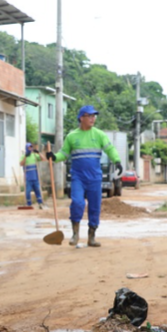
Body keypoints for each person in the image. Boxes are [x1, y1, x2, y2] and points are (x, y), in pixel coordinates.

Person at [46, 105, 122, 247]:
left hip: (95, 177)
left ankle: (91, 237)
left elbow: (110, 149)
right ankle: (75, 233)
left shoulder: (99, 135)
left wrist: (117, 161)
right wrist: (54, 157)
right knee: (77, 203)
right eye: (90, 116)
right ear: (81, 118)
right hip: (78, 177)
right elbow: (64, 154)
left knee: (94, 207)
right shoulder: (72, 136)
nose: (93, 118)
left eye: (94, 116)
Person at [22, 143, 44, 209]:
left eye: (31, 147)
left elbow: (43, 159)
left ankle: (40, 203)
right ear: (26, 148)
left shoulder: (34, 155)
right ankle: (28, 204)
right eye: (29, 147)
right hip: (28, 178)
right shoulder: (24, 156)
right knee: (28, 191)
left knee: (37, 190)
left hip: (35, 177)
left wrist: (38, 153)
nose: (30, 149)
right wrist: (25, 156)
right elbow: (21, 163)